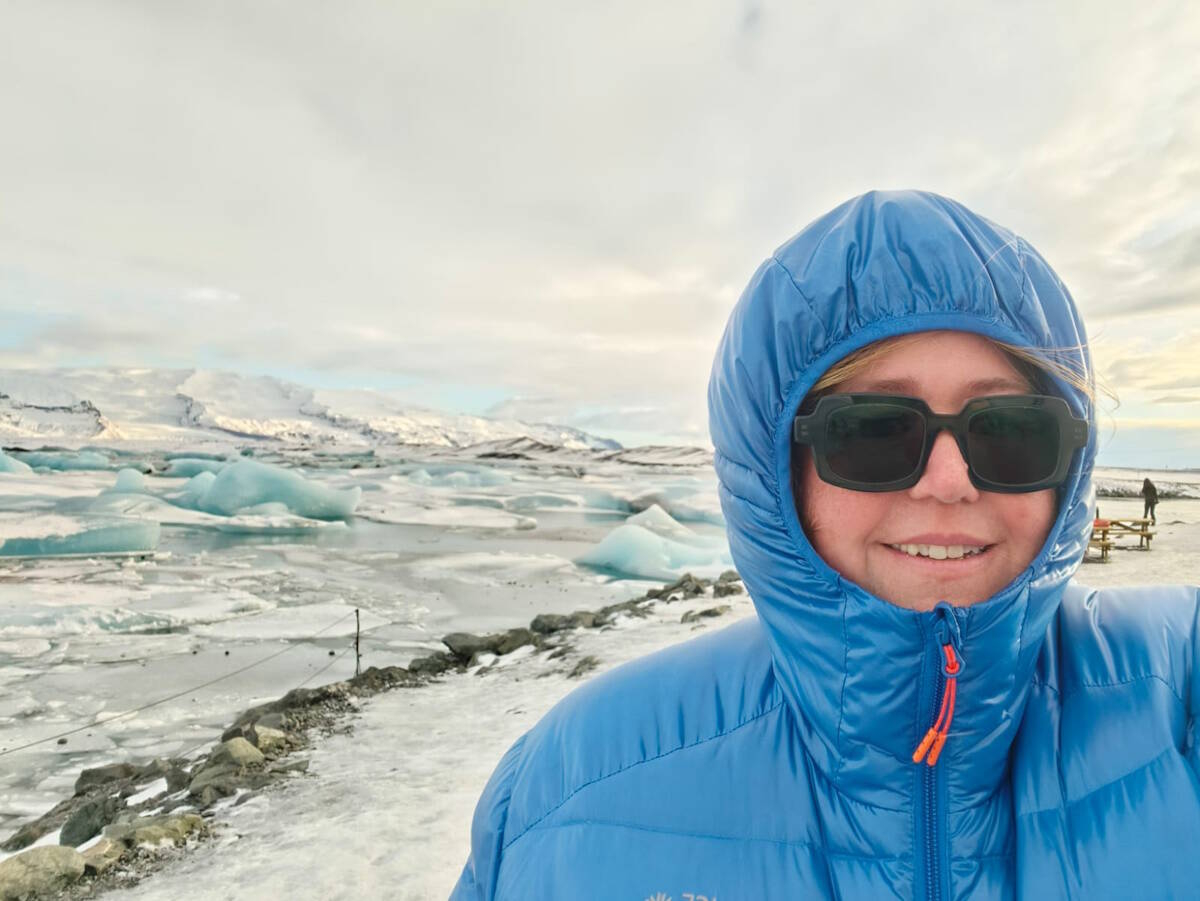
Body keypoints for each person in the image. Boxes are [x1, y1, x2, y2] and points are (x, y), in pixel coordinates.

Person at [451, 191, 1200, 899]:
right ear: (776, 473)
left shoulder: (1180, 698)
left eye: (1011, 431)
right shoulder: (564, 799)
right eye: (873, 432)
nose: (948, 483)